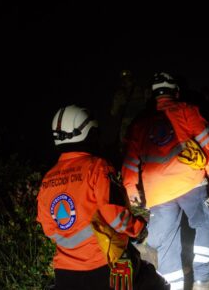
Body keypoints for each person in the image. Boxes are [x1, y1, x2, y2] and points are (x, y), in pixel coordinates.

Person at [37, 104, 167, 290]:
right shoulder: (97, 167)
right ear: (89, 133)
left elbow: (48, 229)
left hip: (65, 274)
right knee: (157, 284)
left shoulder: (47, 179)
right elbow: (115, 215)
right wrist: (138, 229)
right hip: (106, 264)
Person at [121, 72, 209, 290]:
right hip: (190, 181)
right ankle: (203, 282)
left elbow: (131, 161)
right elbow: (207, 145)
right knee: (205, 224)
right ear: (175, 92)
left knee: (165, 243)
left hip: (157, 192)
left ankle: (173, 287)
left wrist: (131, 188)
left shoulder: (140, 124)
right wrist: (208, 173)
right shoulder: (187, 111)